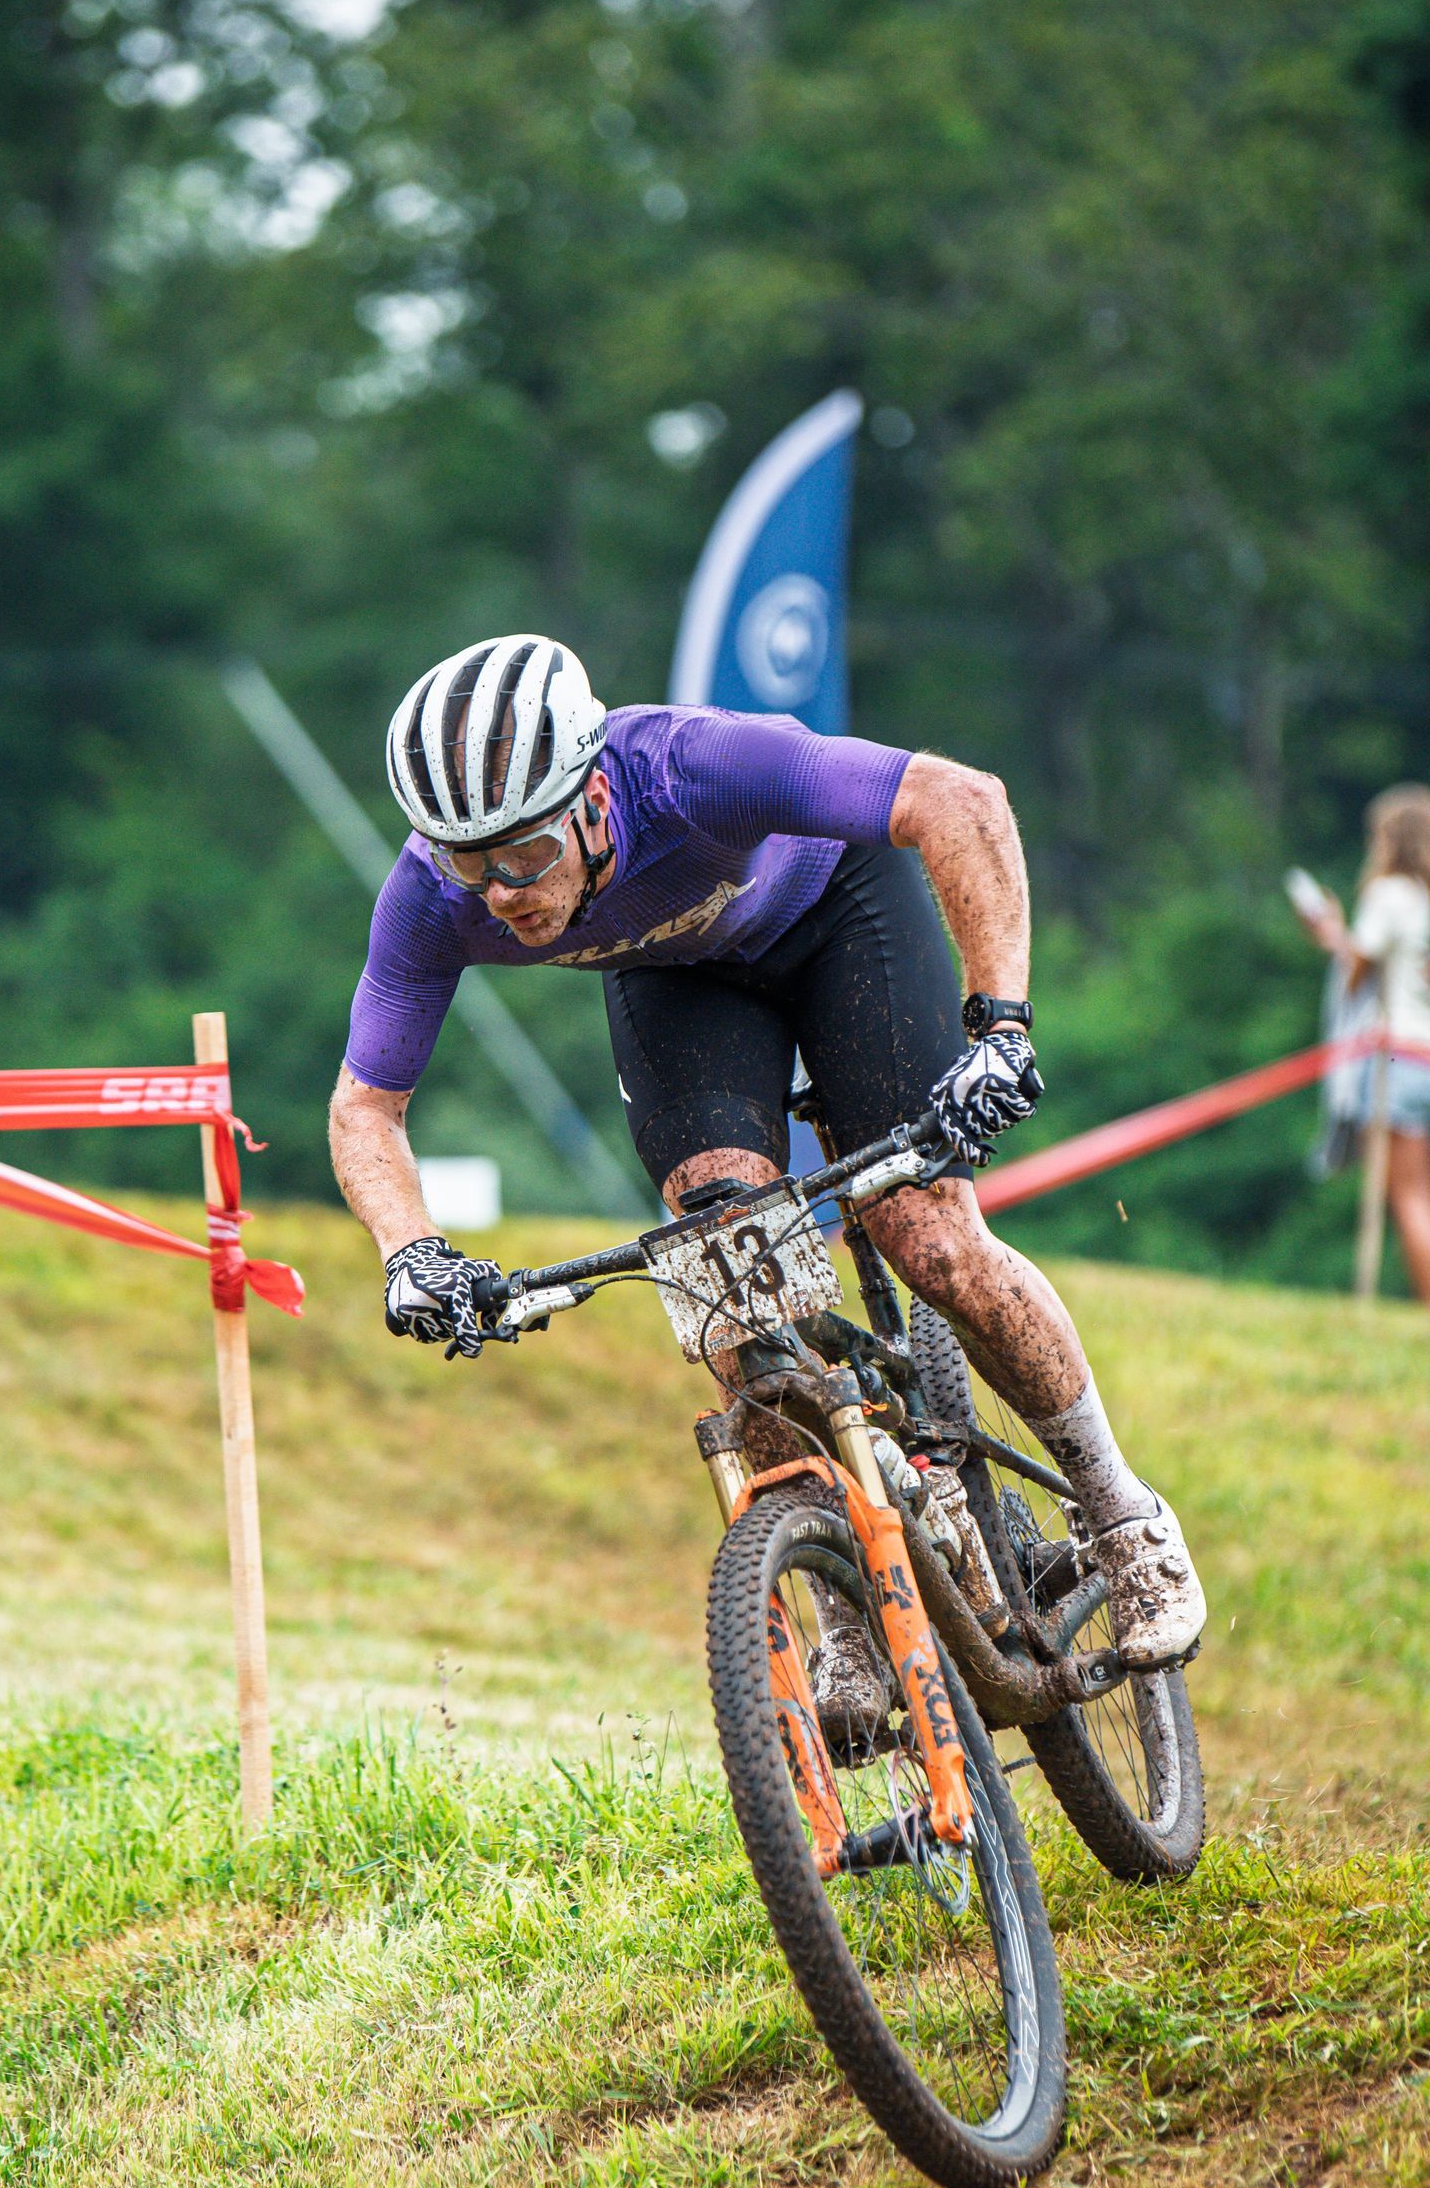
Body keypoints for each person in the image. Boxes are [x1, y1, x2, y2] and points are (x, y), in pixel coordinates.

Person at [328, 633, 1207, 1671]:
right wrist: (410, 1252)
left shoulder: (692, 767)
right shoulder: (439, 893)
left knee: (929, 1239)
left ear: (594, 802)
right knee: (729, 1292)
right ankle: (842, 1607)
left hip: (839, 917)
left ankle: (1120, 1512)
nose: (500, 896)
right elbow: (366, 1106)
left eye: (523, 858)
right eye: (467, 868)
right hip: (685, 984)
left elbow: (963, 799)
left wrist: (1001, 1029)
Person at [1290, 783, 1430, 1304]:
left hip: (1398, 1057)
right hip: (1427, 1053)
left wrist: (1332, 937)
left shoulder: (1390, 893)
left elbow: (1359, 972)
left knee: (1409, 1195)